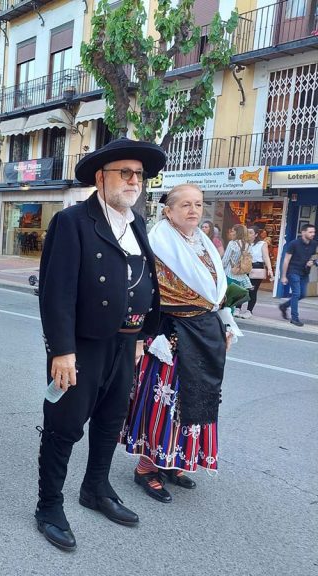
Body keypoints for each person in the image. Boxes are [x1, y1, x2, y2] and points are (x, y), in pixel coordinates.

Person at [35, 138, 164, 552]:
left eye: (138, 175)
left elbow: (144, 282)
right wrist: (61, 350)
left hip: (125, 344)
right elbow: (56, 292)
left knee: (110, 423)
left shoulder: (137, 223)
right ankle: (49, 506)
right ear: (100, 177)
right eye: (124, 173)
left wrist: (143, 335)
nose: (133, 181)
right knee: (64, 427)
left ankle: (95, 489)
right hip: (81, 347)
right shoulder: (73, 221)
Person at [121, 184, 233, 504]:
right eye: (185, 205)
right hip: (170, 335)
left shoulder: (204, 244)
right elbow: (144, 292)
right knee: (166, 404)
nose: (193, 210)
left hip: (203, 334)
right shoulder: (158, 241)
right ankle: (146, 467)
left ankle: (172, 461)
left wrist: (226, 325)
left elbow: (214, 292)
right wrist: (141, 337)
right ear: (168, 211)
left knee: (194, 402)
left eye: (198, 204)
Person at [278, 224, 317, 327]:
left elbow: (313, 257)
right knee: (296, 293)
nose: (313, 234)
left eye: (314, 232)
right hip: (293, 271)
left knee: (302, 294)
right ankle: (294, 318)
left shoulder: (314, 244)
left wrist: (312, 261)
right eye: (310, 232)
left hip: (305, 272)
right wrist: (283, 276)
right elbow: (286, 260)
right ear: (303, 232)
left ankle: (284, 306)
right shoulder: (294, 244)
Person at [236, 226, 273, 318]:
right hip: (244, 267)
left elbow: (266, 257)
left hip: (256, 267)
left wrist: (270, 269)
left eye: (251, 232)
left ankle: (249, 311)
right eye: (247, 232)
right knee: (241, 288)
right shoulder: (243, 243)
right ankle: (237, 308)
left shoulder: (262, 244)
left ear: (256, 234)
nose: (248, 234)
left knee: (252, 290)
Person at [222, 225, 253, 306]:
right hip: (241, 275)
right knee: (233, 299)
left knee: (225, 297)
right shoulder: (248, 245)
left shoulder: (232, 243)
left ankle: (225, 315)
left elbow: (225, 260)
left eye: (233, 231)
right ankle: (230, 313)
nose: (231, 233)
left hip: (229, 273)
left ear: (237, 232)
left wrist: (220, 269)